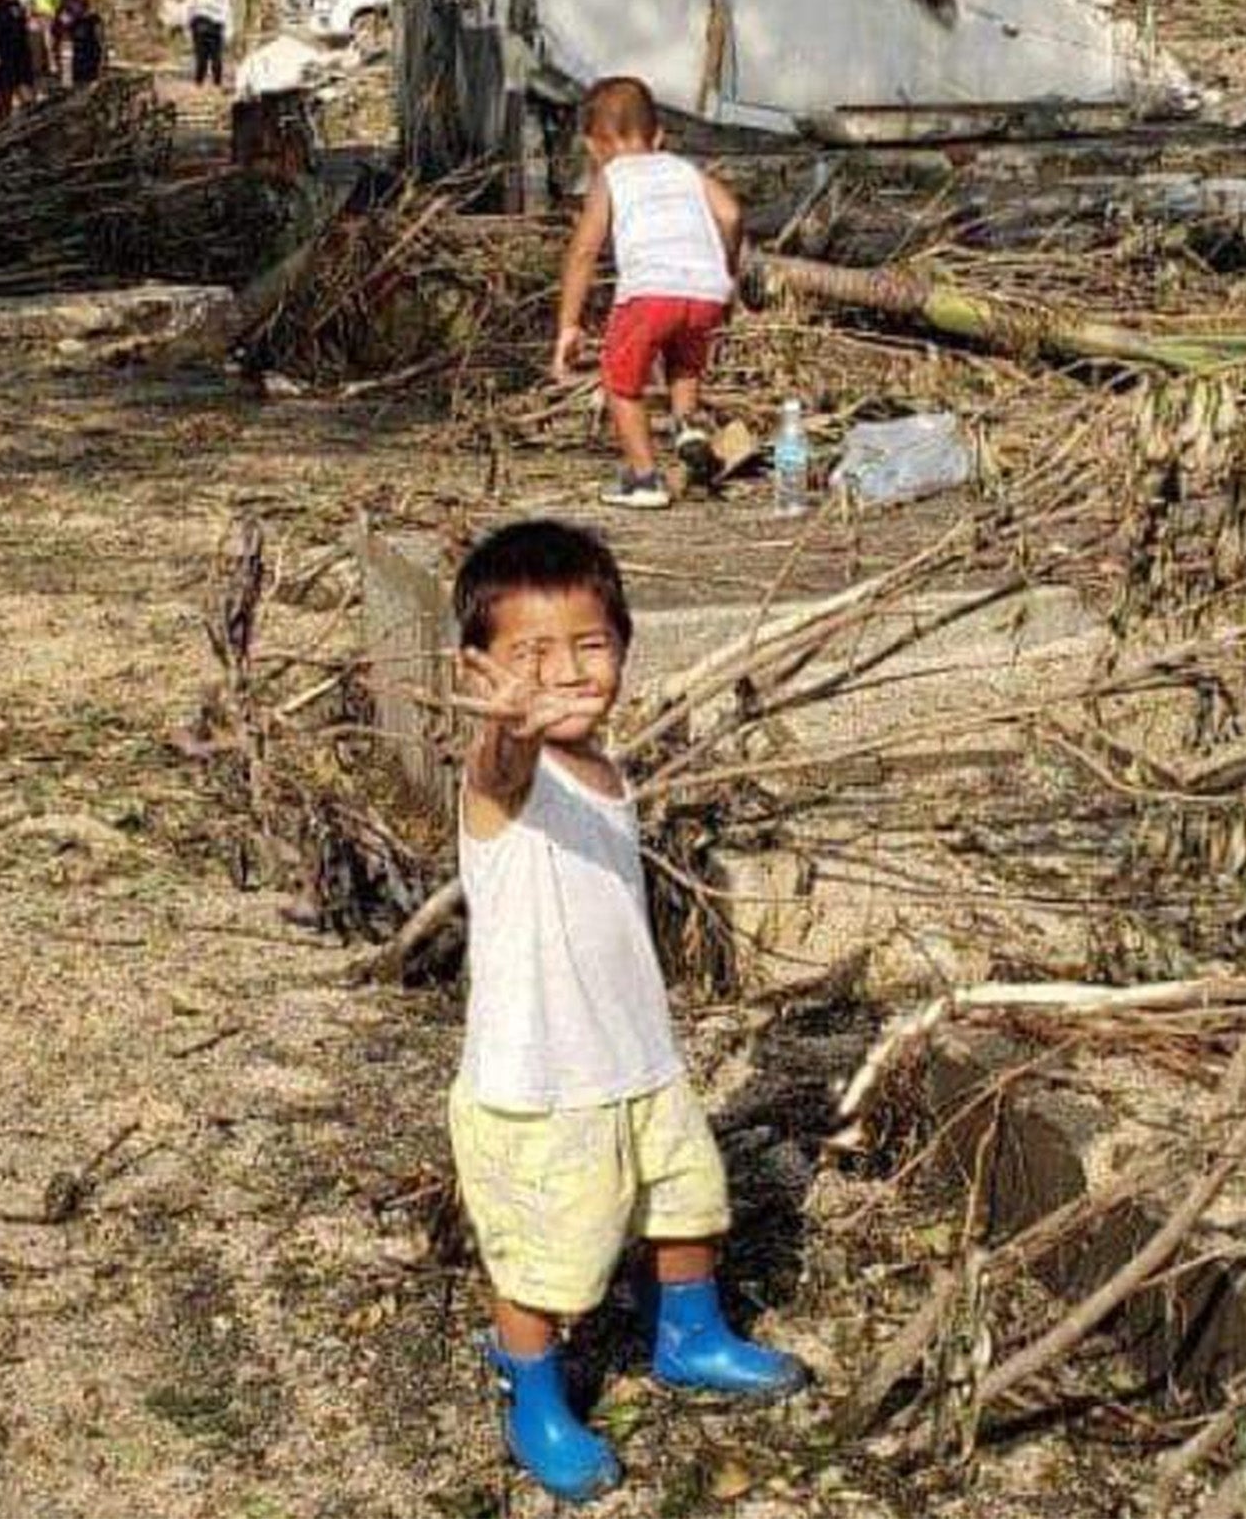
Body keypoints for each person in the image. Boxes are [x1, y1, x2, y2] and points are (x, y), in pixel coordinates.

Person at [448, 520, 807, 1504]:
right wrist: (504, 725)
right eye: (529, 654)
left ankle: (688, 1336)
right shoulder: (502, 780)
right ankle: (534, 1397)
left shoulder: (606, 769)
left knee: (686, 1200)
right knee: (545, 1259)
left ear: (623, 647)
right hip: (541, 1085)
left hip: (635, 1059)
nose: (564, 672)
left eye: (588, 645)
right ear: (479, 669)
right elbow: (495, 769)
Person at [553, 76, 744, 511]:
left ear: (593, 146)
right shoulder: (685, 170)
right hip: (705, 290)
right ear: (658, 137)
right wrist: (726, 273)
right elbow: (731, 215)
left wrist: (568, 325)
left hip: (648, 293)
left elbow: (583, 252)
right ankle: (686, 424)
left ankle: (643, 478)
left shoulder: (612, 178)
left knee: (622, 382)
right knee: (683, 358)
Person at [53, 0, 105, 87]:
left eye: (72, 2)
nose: (68, 6)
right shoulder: (64, 14)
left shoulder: (92, 19)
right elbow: (60, 33)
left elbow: (100, 42)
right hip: (71, 55)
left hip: (88, 59)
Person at [185, 0, 229, 88]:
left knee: (205, 57)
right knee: (212, 57)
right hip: (209, 21)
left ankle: (202, 83)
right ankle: (211, 83)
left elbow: (189, 6)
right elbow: (189, 5)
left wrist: (188, 23)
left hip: (207, 22)